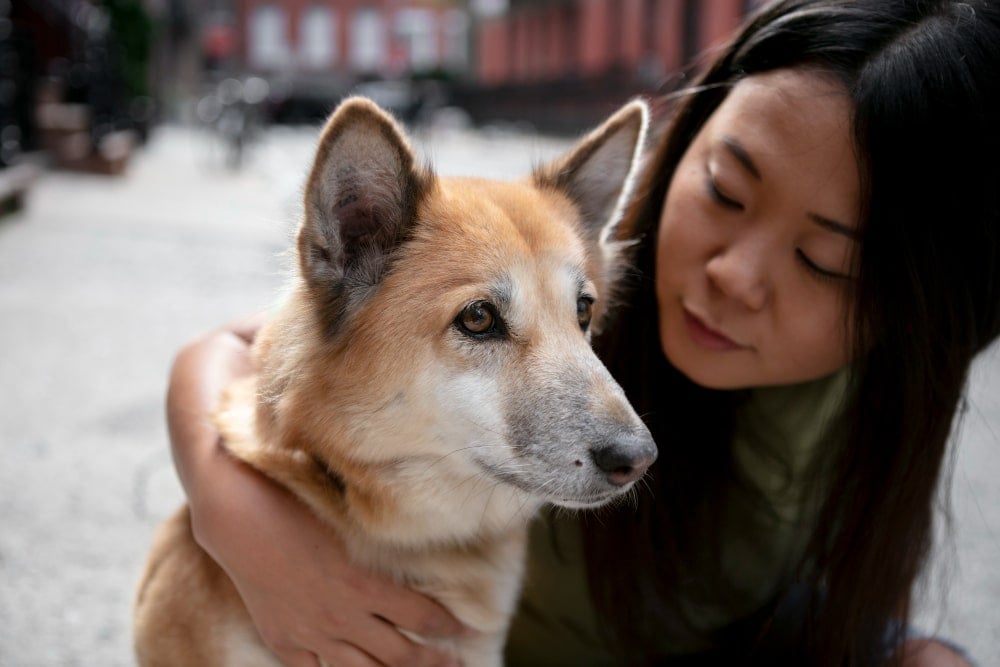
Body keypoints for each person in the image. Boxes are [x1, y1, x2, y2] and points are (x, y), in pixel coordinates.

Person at [164, 0, 1000, 665]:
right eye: (726, 190)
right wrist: (230, 511)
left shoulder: (870, 391)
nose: (732, 275)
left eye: (821, 260)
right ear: (690, 137)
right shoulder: (585, 259)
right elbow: (246, 350)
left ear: (907, 312)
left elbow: (852, 600)